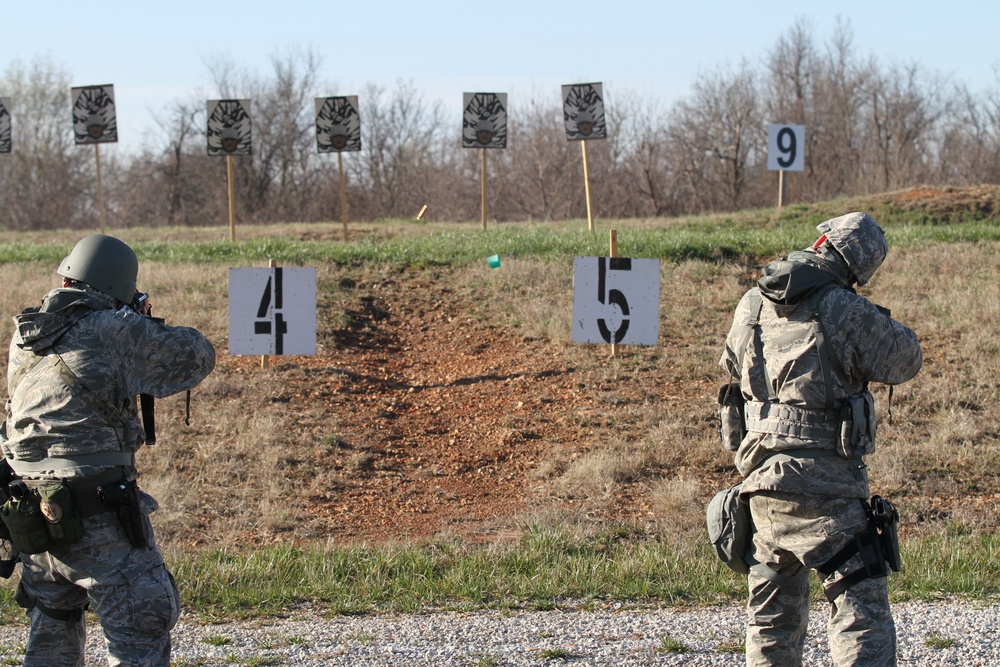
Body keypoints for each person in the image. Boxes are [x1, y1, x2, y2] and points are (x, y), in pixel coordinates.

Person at [718, 212, 922, 667]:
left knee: (772, 617)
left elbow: (733, 367)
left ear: (821, 241)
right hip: (826, 490)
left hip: (761, 483)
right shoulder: (841, 307)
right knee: (859, 610)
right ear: (860, 269)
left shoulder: (751, 302)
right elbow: (905, 359)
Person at [1, 234, 215, 666]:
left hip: (33, 516)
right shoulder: (111, 328)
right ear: (119, 284)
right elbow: (196, 355)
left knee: (52, 627)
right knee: (143, 625)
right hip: (97, 511)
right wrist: (144, 321)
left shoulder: (27, 335)